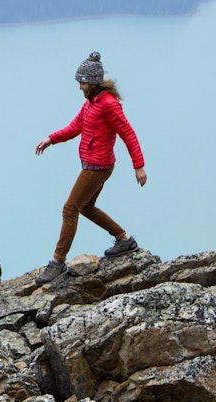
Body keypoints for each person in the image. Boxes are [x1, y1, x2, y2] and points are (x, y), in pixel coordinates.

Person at [33, 51, 148, 285]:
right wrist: (51, 139)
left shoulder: (108, 105)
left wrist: (139, 166)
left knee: (70, 208)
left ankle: (57, 262)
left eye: (82, 82)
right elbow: (76, 127)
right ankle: (124, 239)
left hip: (98, 167)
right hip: (92, 165)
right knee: (85, 207)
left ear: (93, 82)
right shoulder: (91, 104)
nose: (80, 87)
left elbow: (128, 133)